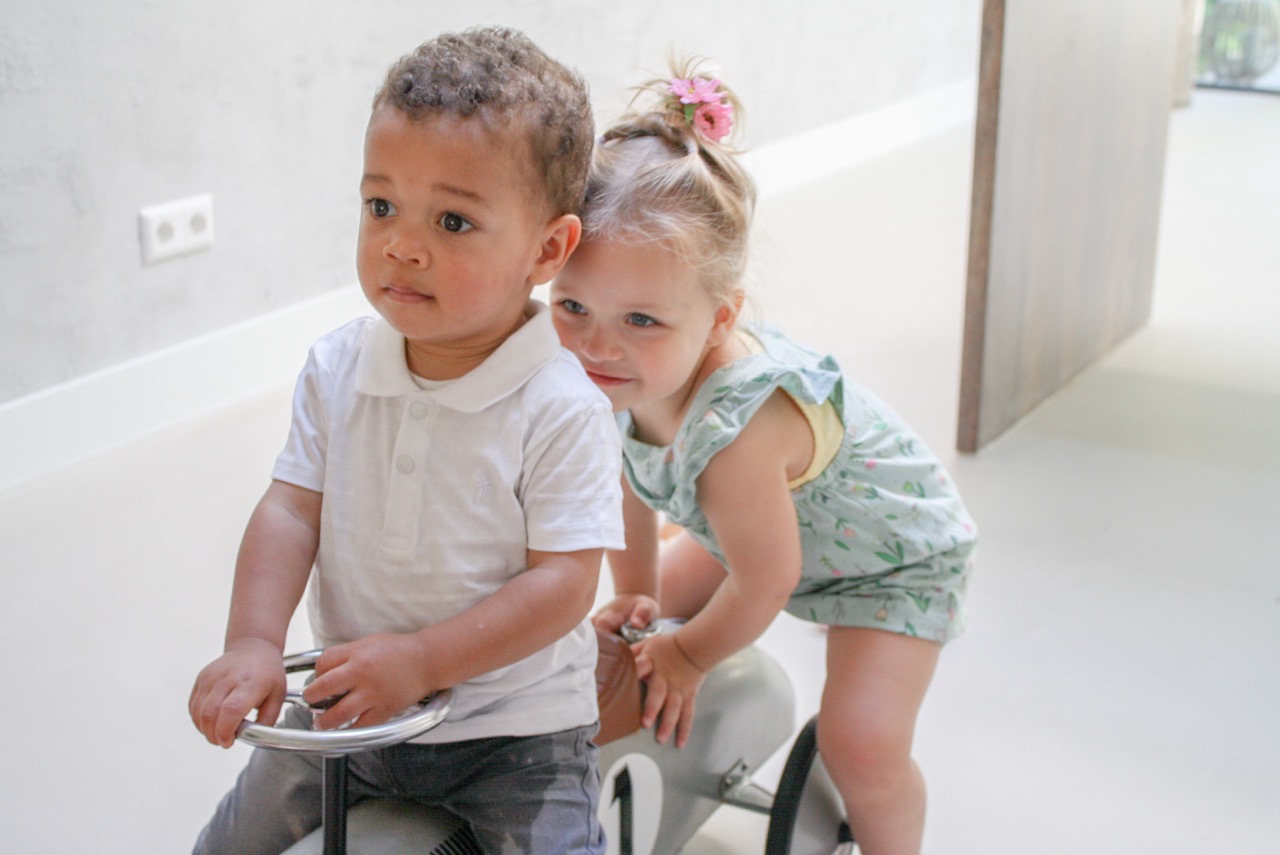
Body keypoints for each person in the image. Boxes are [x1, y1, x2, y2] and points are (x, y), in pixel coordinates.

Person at [188, 28, 623, 855]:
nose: (402, 243)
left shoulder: (560, 404)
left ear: (548, 248)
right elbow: (290, 510)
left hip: (514, 735)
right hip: (350, 710)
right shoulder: (338, 365)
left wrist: (424, 659)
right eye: (380, 204)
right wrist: (252, 640)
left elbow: (565, 583)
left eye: (453, 220)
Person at [549, 63, 976, 855]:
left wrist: (688, 651)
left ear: (720, 318)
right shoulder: (616, 371)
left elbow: (767, 580)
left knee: (860, 742)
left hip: (888, 564)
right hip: (750, 530)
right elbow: (629, 487)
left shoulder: (739, 432)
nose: (596, 344)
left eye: (640, 318)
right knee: (622, 637)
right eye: (572, 306)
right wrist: (639, 595)